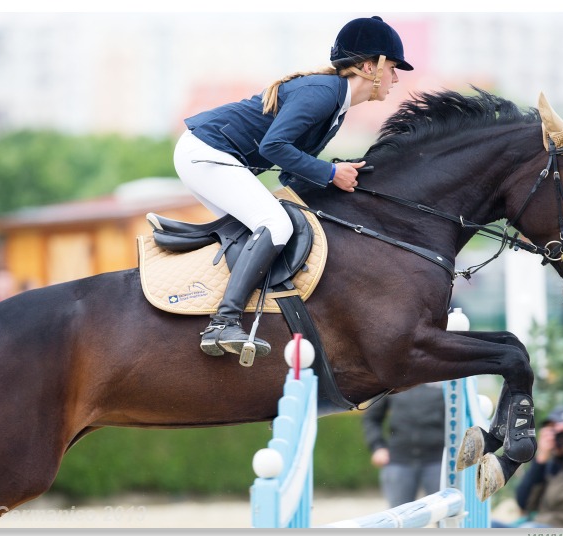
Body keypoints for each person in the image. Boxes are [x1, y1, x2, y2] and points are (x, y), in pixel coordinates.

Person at [173, 16, 414, 359]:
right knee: (274, 224)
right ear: (367, 67)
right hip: (206, 152)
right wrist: (331, 173)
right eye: (392, 67)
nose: (395, 77)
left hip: (209, 154)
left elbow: (289, 174)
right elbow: (274, 147)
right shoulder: (323, 92)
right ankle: (224, 322)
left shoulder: (335, 106)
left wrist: (349, 185)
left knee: (260, 230)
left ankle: (208, 303)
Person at [361, 383, 446, 508]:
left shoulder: (444, 383)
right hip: (399, 460)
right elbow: (372, 418)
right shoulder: (393, 382)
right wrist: (378, 446)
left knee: (445, 515)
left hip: (438, 460)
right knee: (399, 516)